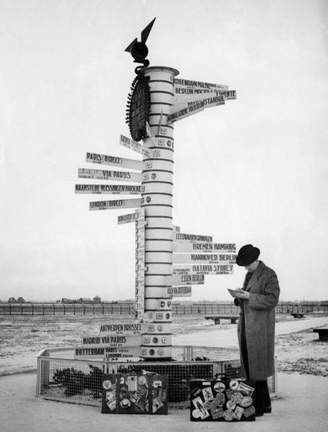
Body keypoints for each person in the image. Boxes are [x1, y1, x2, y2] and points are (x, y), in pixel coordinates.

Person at [233, 244, 280, 417]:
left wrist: (249, 297)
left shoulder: (269, 274)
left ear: (255, 261)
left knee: (257, 366)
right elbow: (250, 296)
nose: (245, 267)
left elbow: (272, 299)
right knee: (251, 364)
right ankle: (264, 405)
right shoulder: (250, 274)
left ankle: (259, 407)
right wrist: (239, 297)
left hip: (260, 328)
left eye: (246, 264)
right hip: (248, 325)